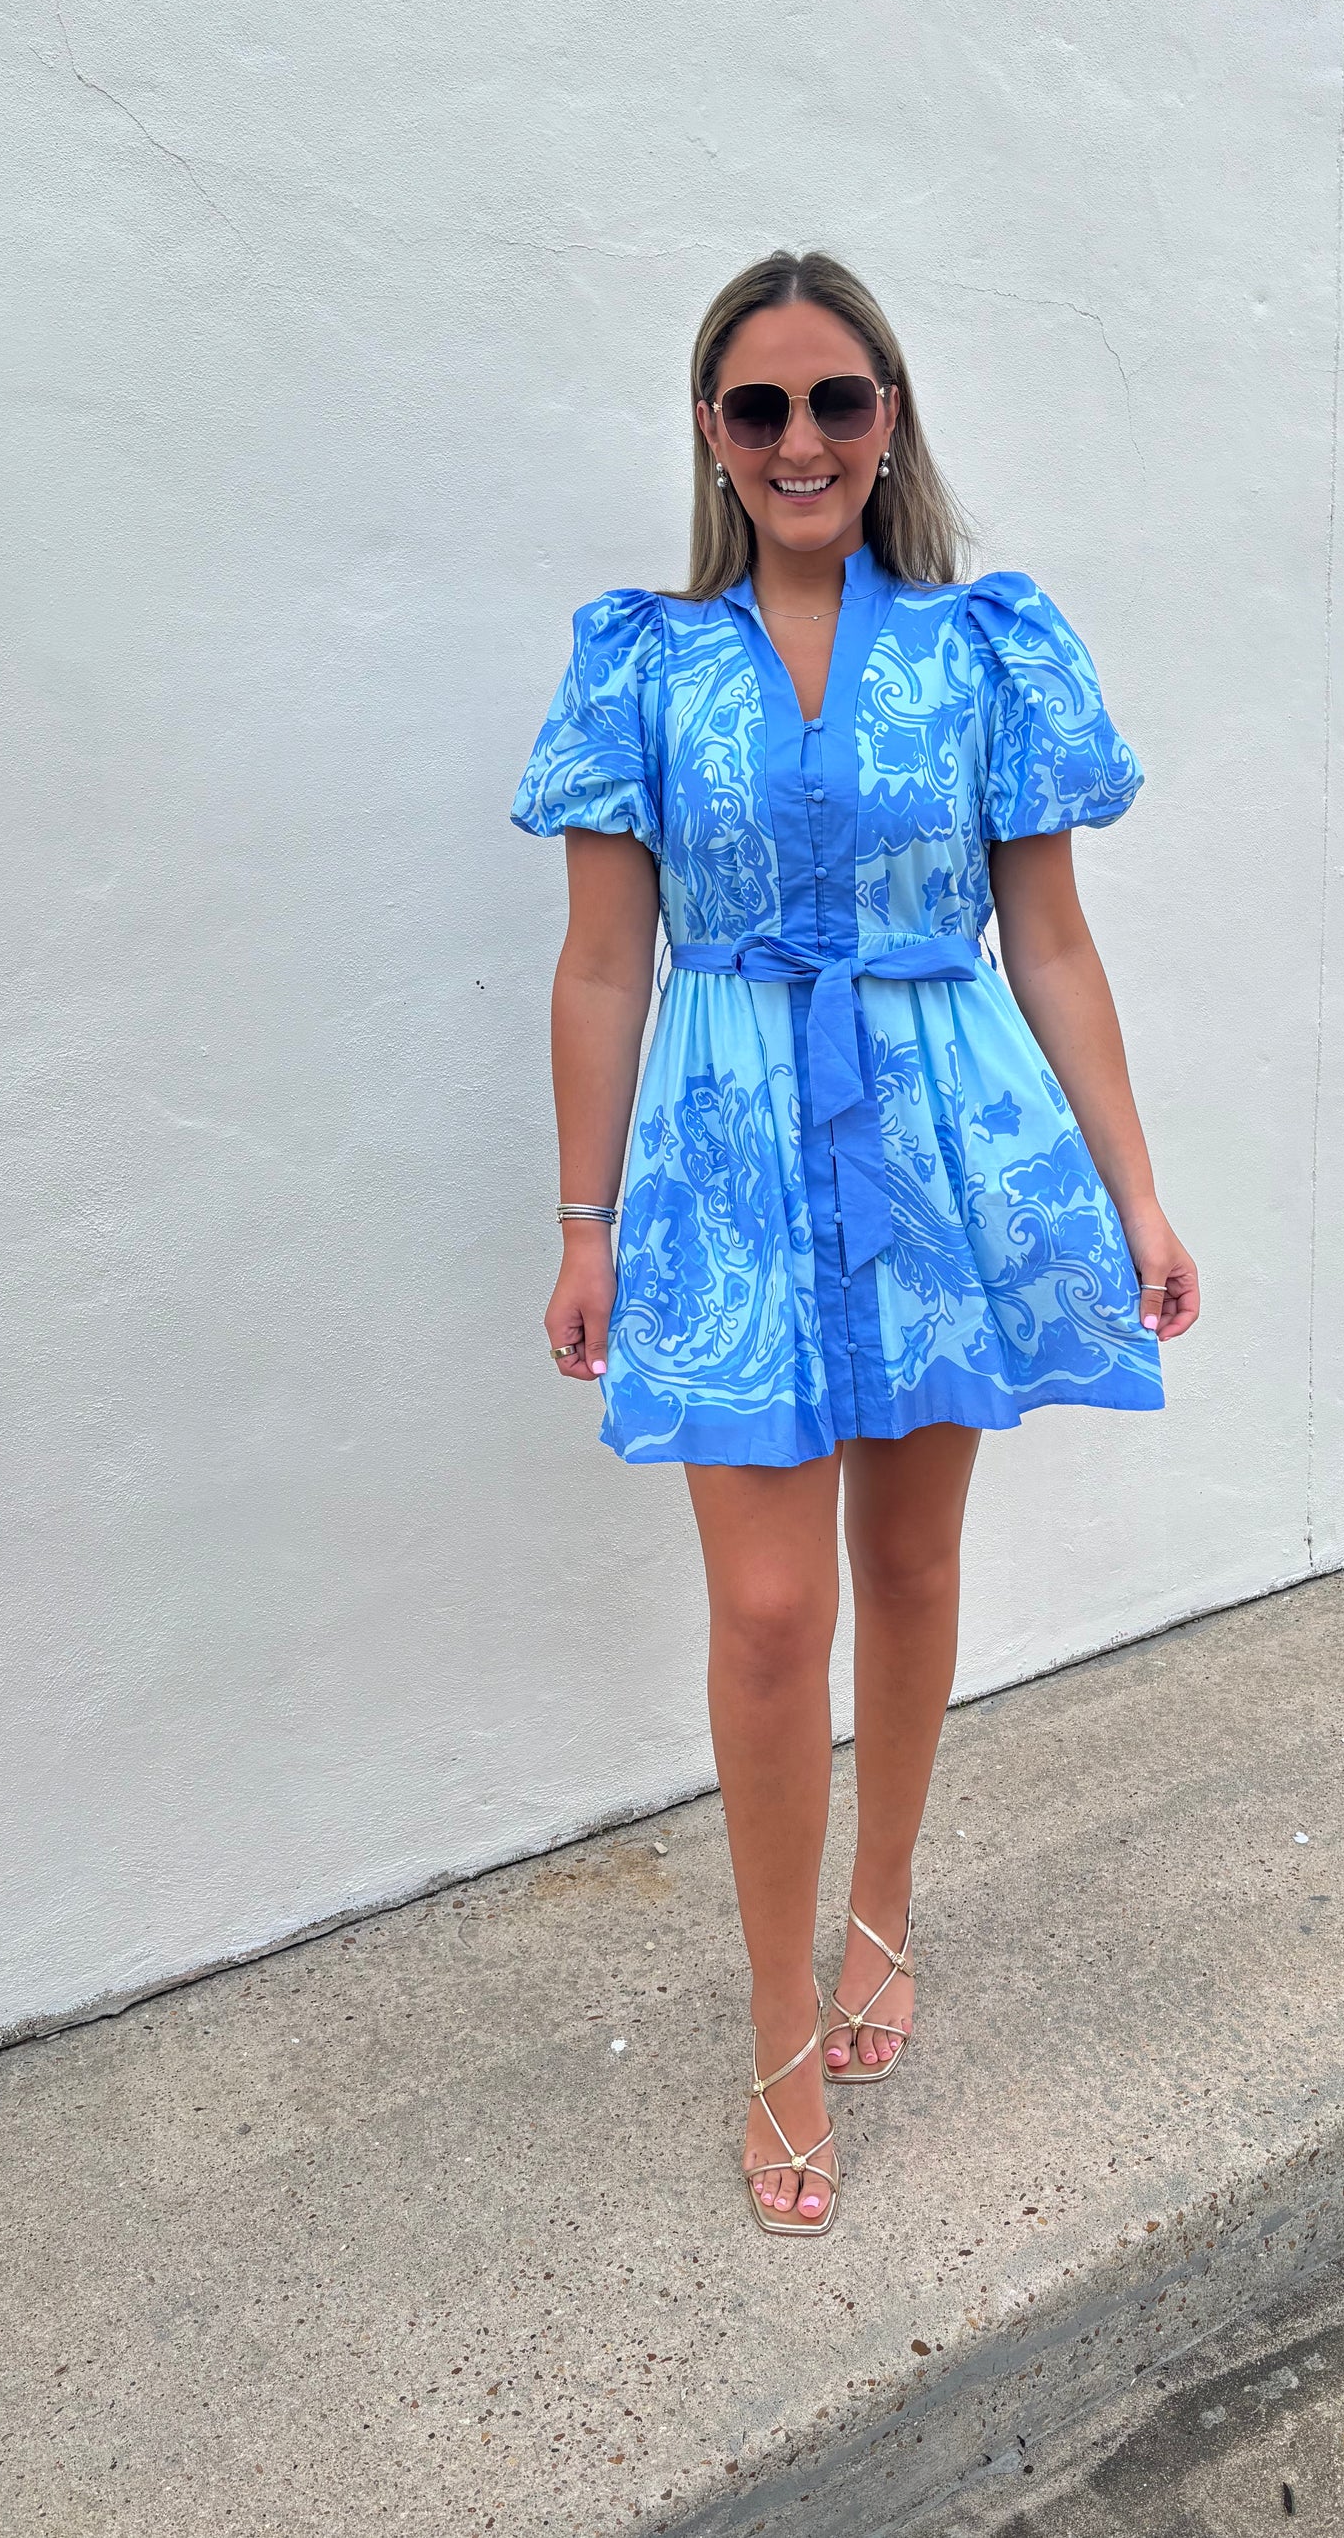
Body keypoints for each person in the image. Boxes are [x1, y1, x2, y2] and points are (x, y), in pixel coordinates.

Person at [510, 249, 1200, 2236]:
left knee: (907, 1561)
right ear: (712, 437)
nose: (799, 438)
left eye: (836, 399)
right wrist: (582, 1222)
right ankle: (775, 2022)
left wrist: (1134, 1188)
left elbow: (1048, 941)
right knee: (763, 1614)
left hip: (941, 1149)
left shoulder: (985, 649)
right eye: (759, 406)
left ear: (887, 419)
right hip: (728, 1164)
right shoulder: (642, 663)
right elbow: (601, 962)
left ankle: (880, 1908)